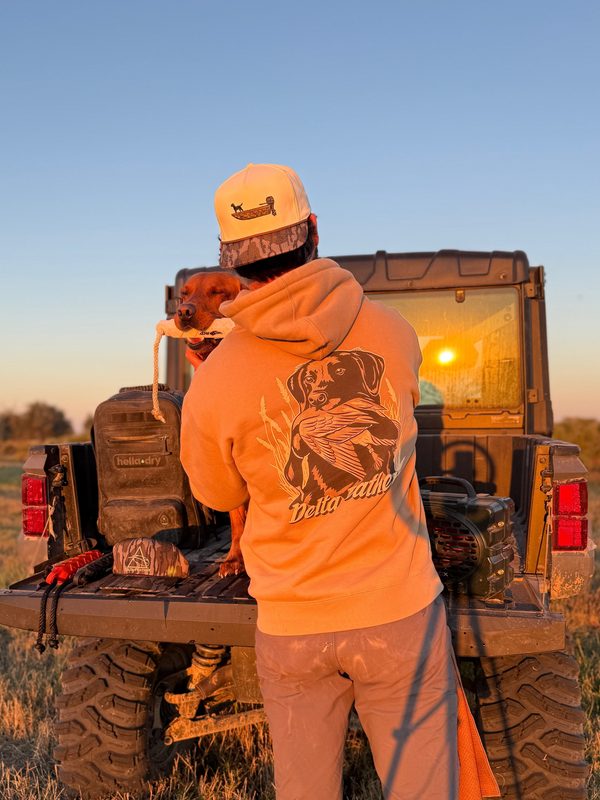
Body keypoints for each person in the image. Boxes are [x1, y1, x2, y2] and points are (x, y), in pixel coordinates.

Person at [180, 163, 458, 800]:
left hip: (292, 624)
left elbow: (219, 496)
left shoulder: (218, 380)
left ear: (231, 261)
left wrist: (214, 380)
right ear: (311, 228)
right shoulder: (395, 332)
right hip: (400, 612)